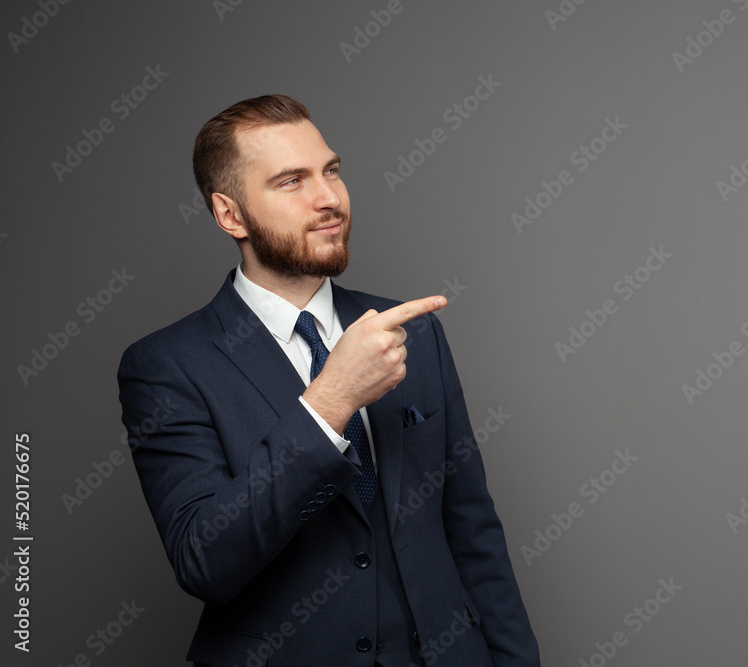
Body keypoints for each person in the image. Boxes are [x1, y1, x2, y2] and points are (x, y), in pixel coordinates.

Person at [117, 94, 540, 667]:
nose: (329, 199)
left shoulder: (413, 332)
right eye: (291, 181)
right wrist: (330, 400)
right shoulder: (167, 365)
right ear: (230, 214)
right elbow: (205, 561)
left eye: (331, 171)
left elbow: (473, 532)